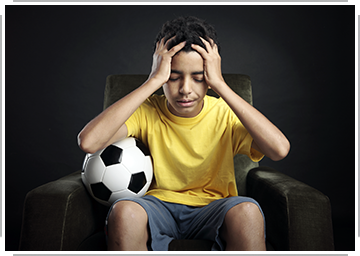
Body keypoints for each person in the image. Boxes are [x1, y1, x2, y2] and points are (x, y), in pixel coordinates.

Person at [77, 16, 290, 251]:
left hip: (215, 207)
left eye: (198, 78)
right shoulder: (147, 111)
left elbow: (279, 149)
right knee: (124, 211)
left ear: (208, 78)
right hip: (157, 205)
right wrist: (153, 80)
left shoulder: (224, 113)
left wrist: (220, 84)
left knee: (248, 211)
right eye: (174, 77)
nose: (185, 90)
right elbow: (89, 142)